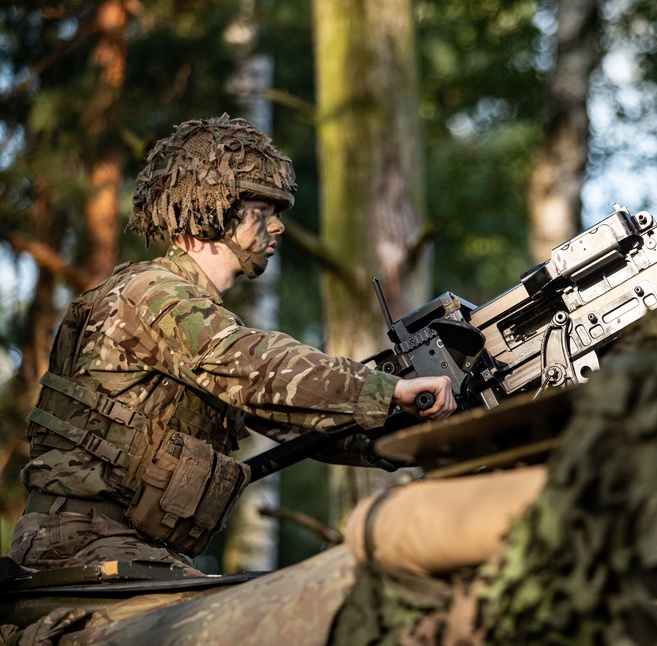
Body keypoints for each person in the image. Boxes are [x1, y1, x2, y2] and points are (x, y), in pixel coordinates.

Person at [8, 115, 456, 575]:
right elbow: (257, 367)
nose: (278, 227)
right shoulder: (152, 293)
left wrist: (405, 433)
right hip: (86, 545)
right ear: (214, 207)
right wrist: (388, 389)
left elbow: (295, 421)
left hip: (124, 548)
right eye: (265, 210)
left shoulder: (186, 311)